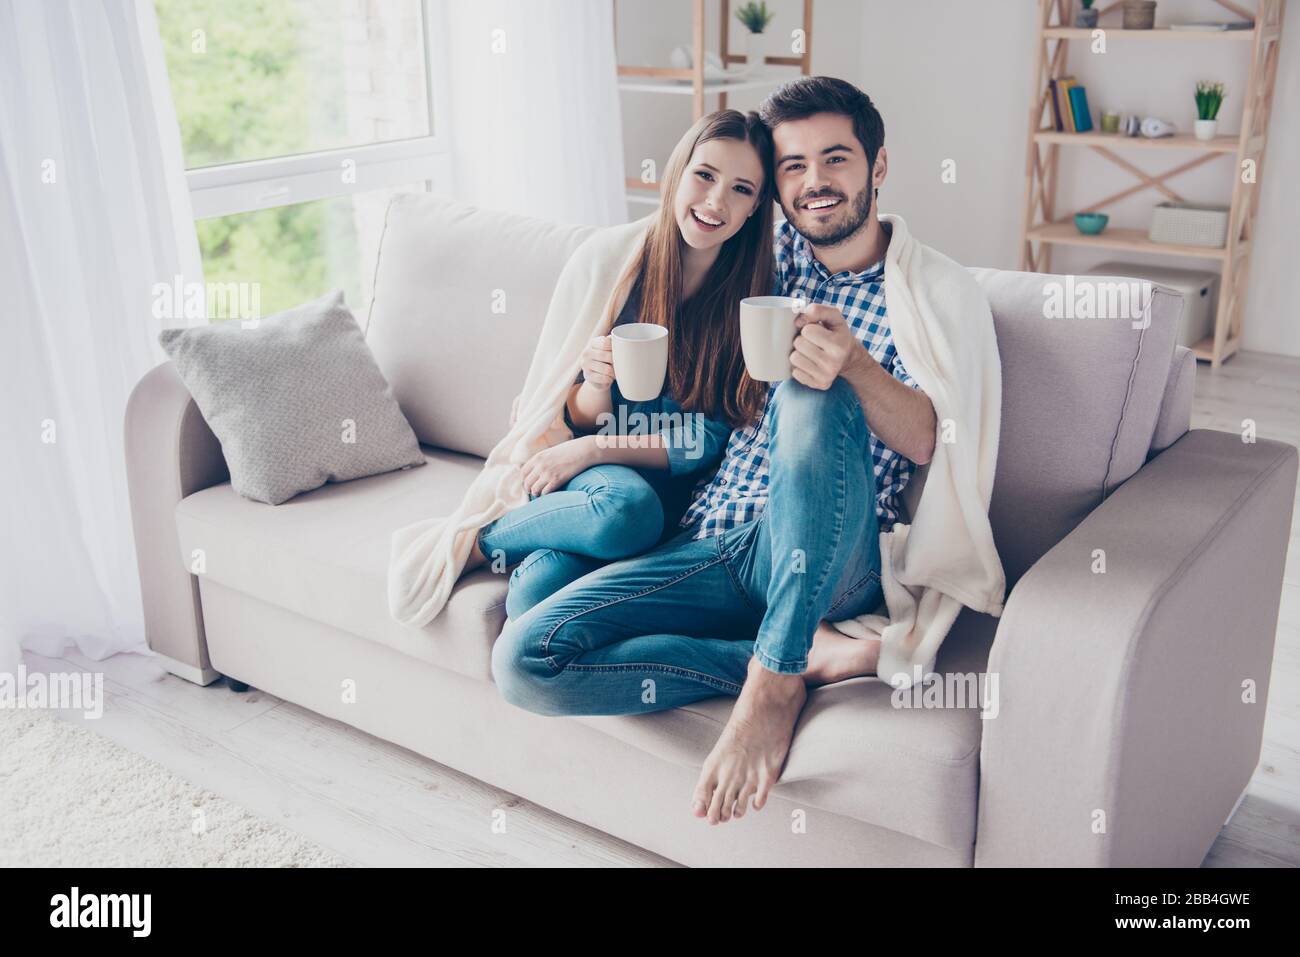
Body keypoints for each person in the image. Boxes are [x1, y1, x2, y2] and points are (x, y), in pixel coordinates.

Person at [491, 76, 947, 827]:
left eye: (836, 160)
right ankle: (801, 653)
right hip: (715, 538)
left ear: (878, 167)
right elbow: (672, 380)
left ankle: (773, 678)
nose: (815, 183)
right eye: (794, 167)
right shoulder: (760, 265)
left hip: (829, 552)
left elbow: (930, 437)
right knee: (524, 655)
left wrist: (855, 364)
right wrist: (583, 399)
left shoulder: (922, 293)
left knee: (810, 376)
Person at [458, 110, 776, 620]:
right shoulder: (613, 263)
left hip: (666, 491)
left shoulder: (754, 297)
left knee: (530, 597)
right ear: (678, 172)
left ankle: (548, 539)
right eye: (705, 176)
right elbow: (573, 415)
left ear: (756, 206)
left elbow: (711, 438)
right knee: (625, 509)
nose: (716, 201)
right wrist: (598, 384)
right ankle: (479, 541)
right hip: (604, 483)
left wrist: (593, 448)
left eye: (741, 189)